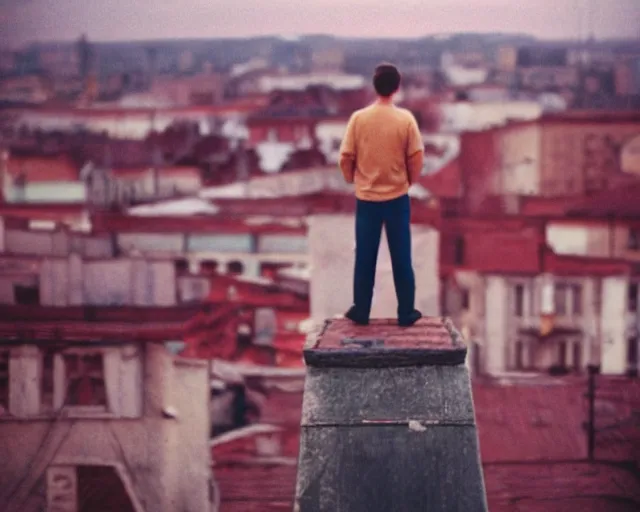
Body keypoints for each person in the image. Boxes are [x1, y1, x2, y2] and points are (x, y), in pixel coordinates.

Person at [338, 63, 424, 327]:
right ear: (396, 88)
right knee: (401, 257)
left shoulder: (358, 119)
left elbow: (345, 157)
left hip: (367, 200)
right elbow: (416, 156)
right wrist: (408, 181)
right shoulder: (406, 119)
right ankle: (406, 312)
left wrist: (353, 179)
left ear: (374, 86)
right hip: (397, 199)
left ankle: (361, 310)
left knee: (365, 256)